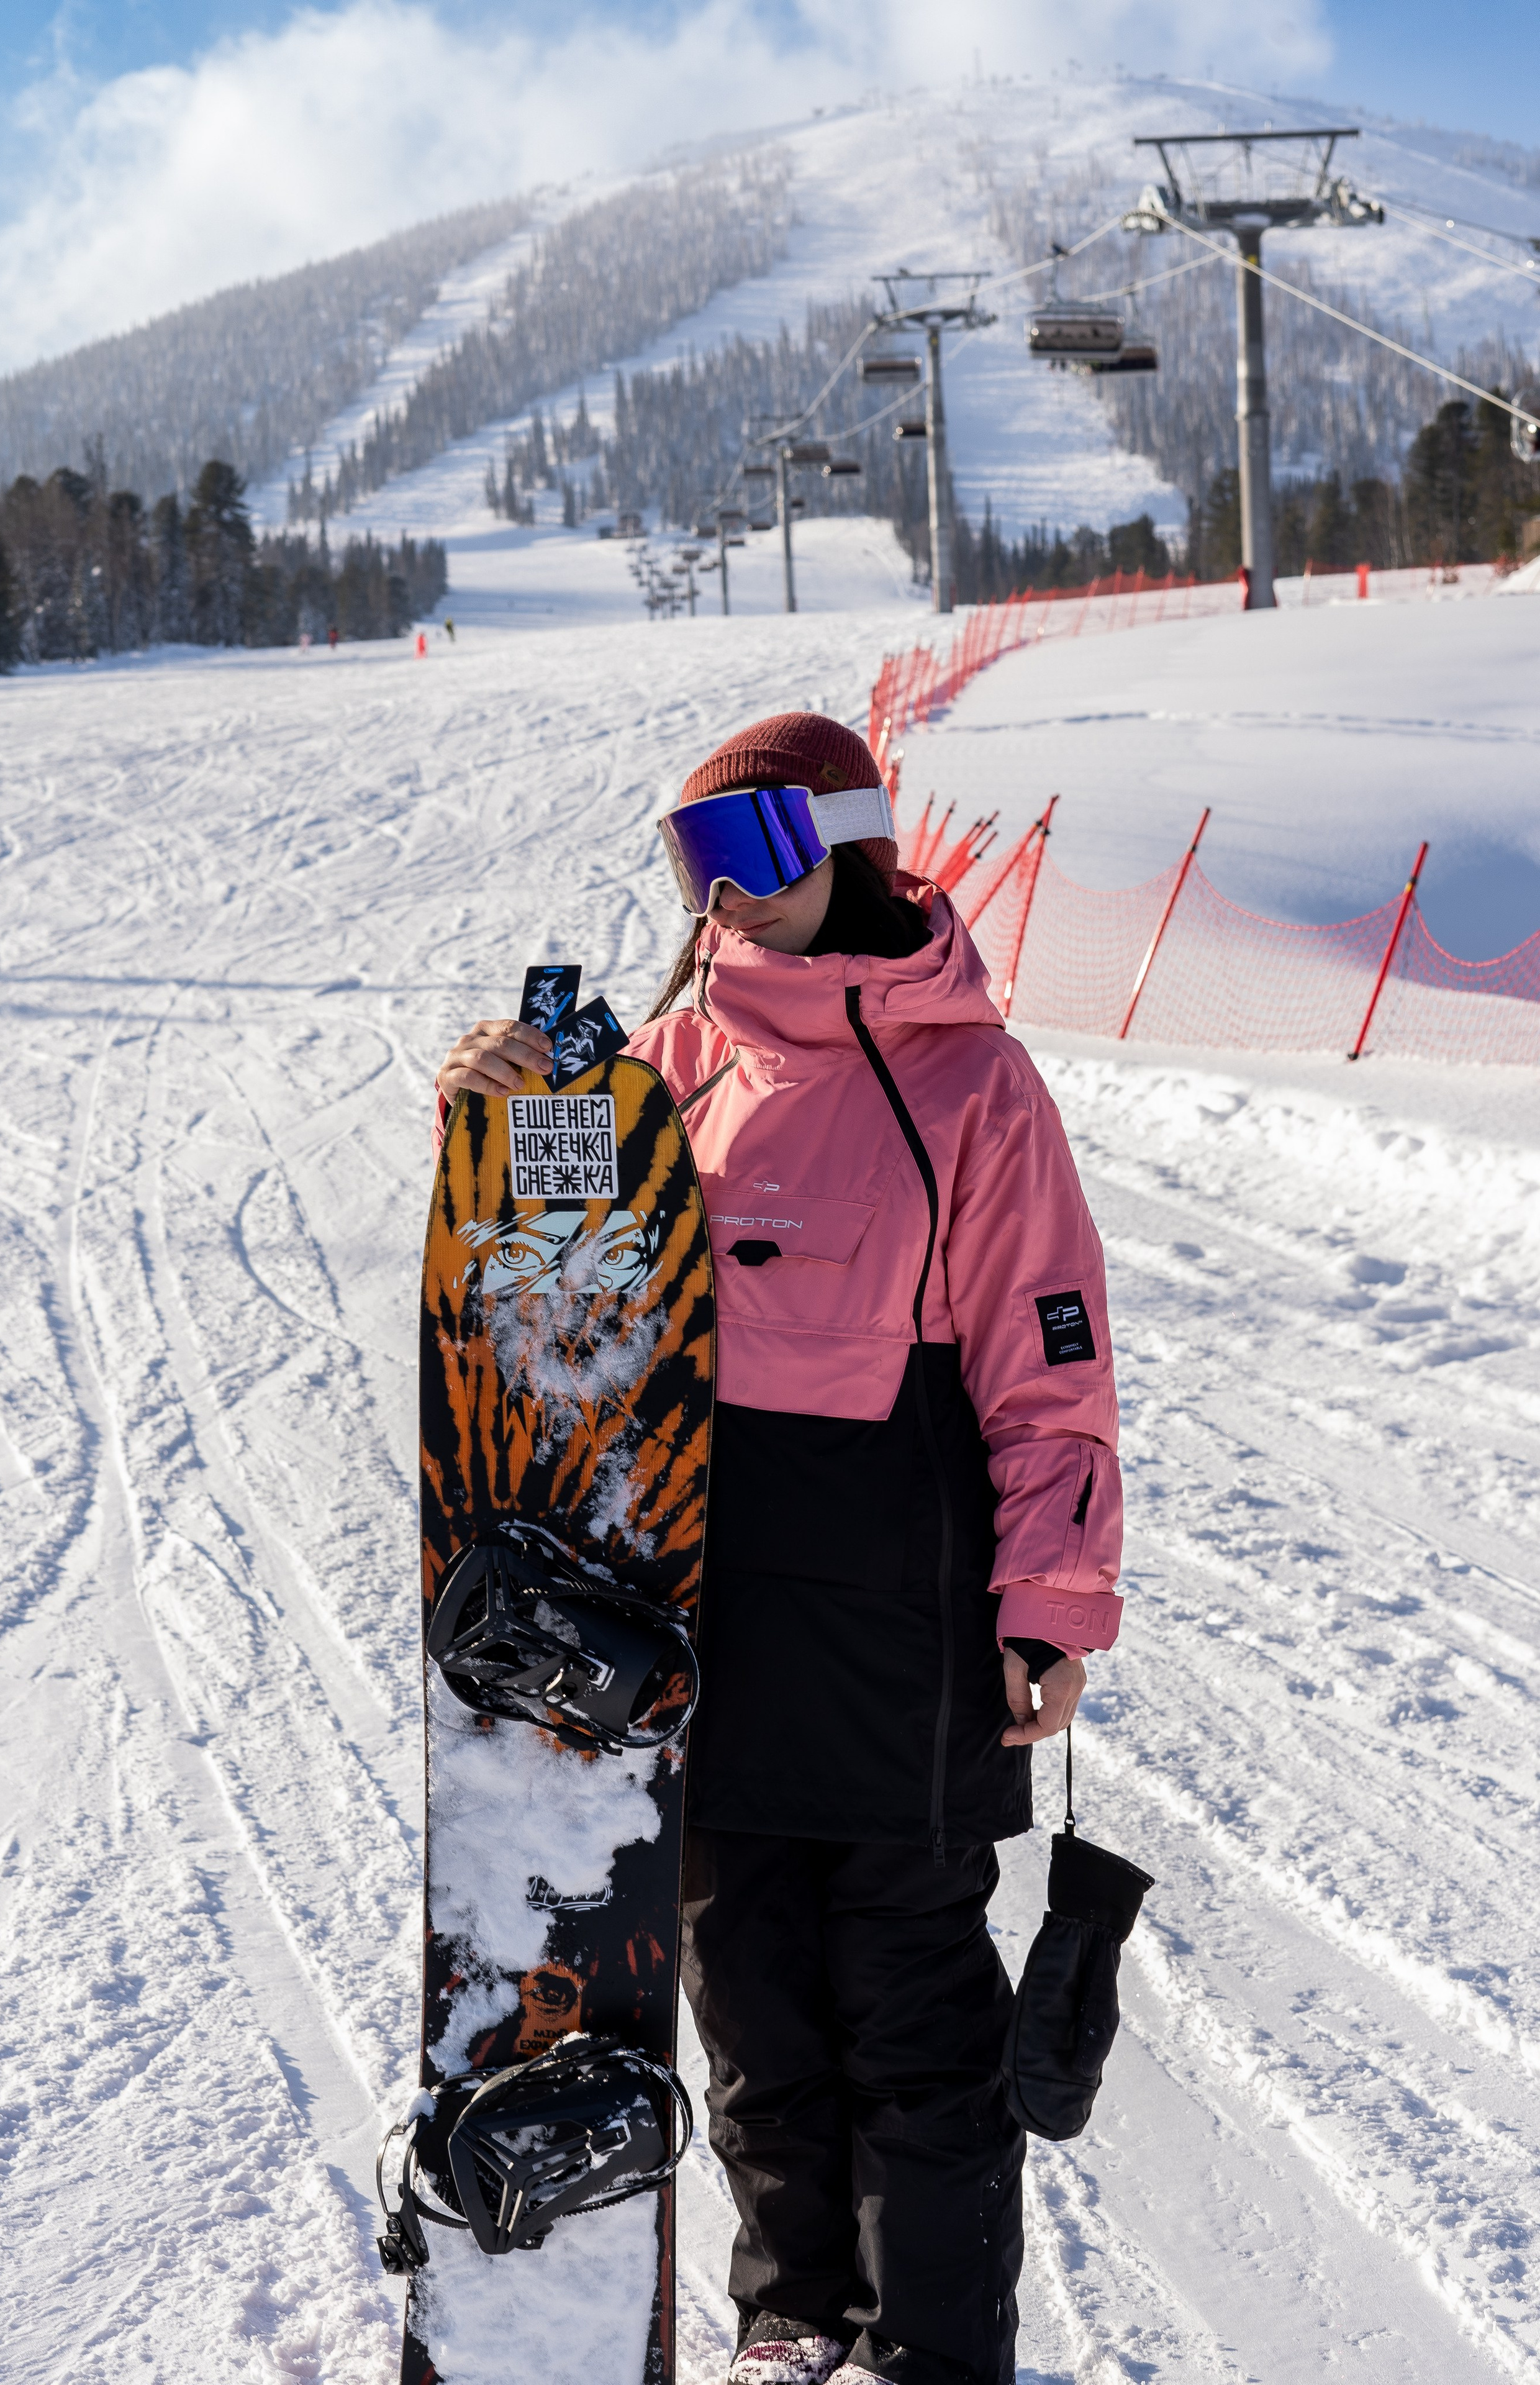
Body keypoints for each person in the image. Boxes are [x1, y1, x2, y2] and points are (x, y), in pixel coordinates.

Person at [434, 712, 1123, 2385]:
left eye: (758, 857)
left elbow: (1052, 1365)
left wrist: (1052, 1600)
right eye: (699, 868)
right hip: (705, 1612)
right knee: (753, 2007)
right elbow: (535, 1275)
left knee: (915, 2014)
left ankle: (927, 2348)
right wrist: (495, 1109)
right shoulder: (662, 1071)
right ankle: (790, 2324)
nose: (729, 900)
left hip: (906, 1614)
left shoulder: (972, 1078)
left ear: (853, 850)